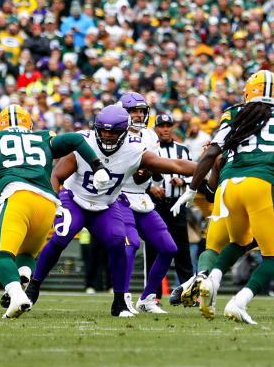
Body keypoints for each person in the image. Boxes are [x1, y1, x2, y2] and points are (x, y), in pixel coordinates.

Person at [171, 70, 274, 324]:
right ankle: (244, 300)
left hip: (229, 189)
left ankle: (208, 278)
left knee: (233, 243)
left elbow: (212, 153)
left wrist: (191, 189)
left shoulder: (235, 115)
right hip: (261, 189)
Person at [29, 105, 195, 317]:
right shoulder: (83, 141)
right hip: (75, 199)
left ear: (124, 131)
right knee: (62, 236)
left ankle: (119, 302)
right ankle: (34, 286)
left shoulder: (134, 150)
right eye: (104, 130)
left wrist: (206, 167)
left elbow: (175, 165)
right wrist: (54, 200)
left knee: (119, 242)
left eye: (114, 131)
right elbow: (57, 175)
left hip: (105, 205)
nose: (108, 136)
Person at [0, 104, 110, 318]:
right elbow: (75, 139)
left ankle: (17, 295)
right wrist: (97, 166)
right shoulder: (43, 138)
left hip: (17, 196)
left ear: (1, 124)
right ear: (29, 123)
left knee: (0, 253)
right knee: (27, 253)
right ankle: (24, 273)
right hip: (47, 203)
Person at [118, 94, 193, 315]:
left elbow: (147, 176)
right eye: (134, 111)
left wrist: (148, 172)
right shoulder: (115, 133)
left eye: (142, 111)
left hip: (141, 196)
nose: (139, 115)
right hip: (120, 195)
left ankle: (148, 297)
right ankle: (121, 297)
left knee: (169, 247)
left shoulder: (150, 137)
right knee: (130, 245)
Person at [148, 113, 196, 297]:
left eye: (168, 125)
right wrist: (151, 188)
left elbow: (196, 173)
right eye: (162, 126)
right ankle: (153, 294)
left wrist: (183, 182)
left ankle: (188, 293)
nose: (165, 129)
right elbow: (138, 174)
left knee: (183, 251)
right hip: (156, 205)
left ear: (173, 127)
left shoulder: (182, 150)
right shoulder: (150, 149)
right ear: (156, 129)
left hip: (177, 205)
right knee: (153, 249)